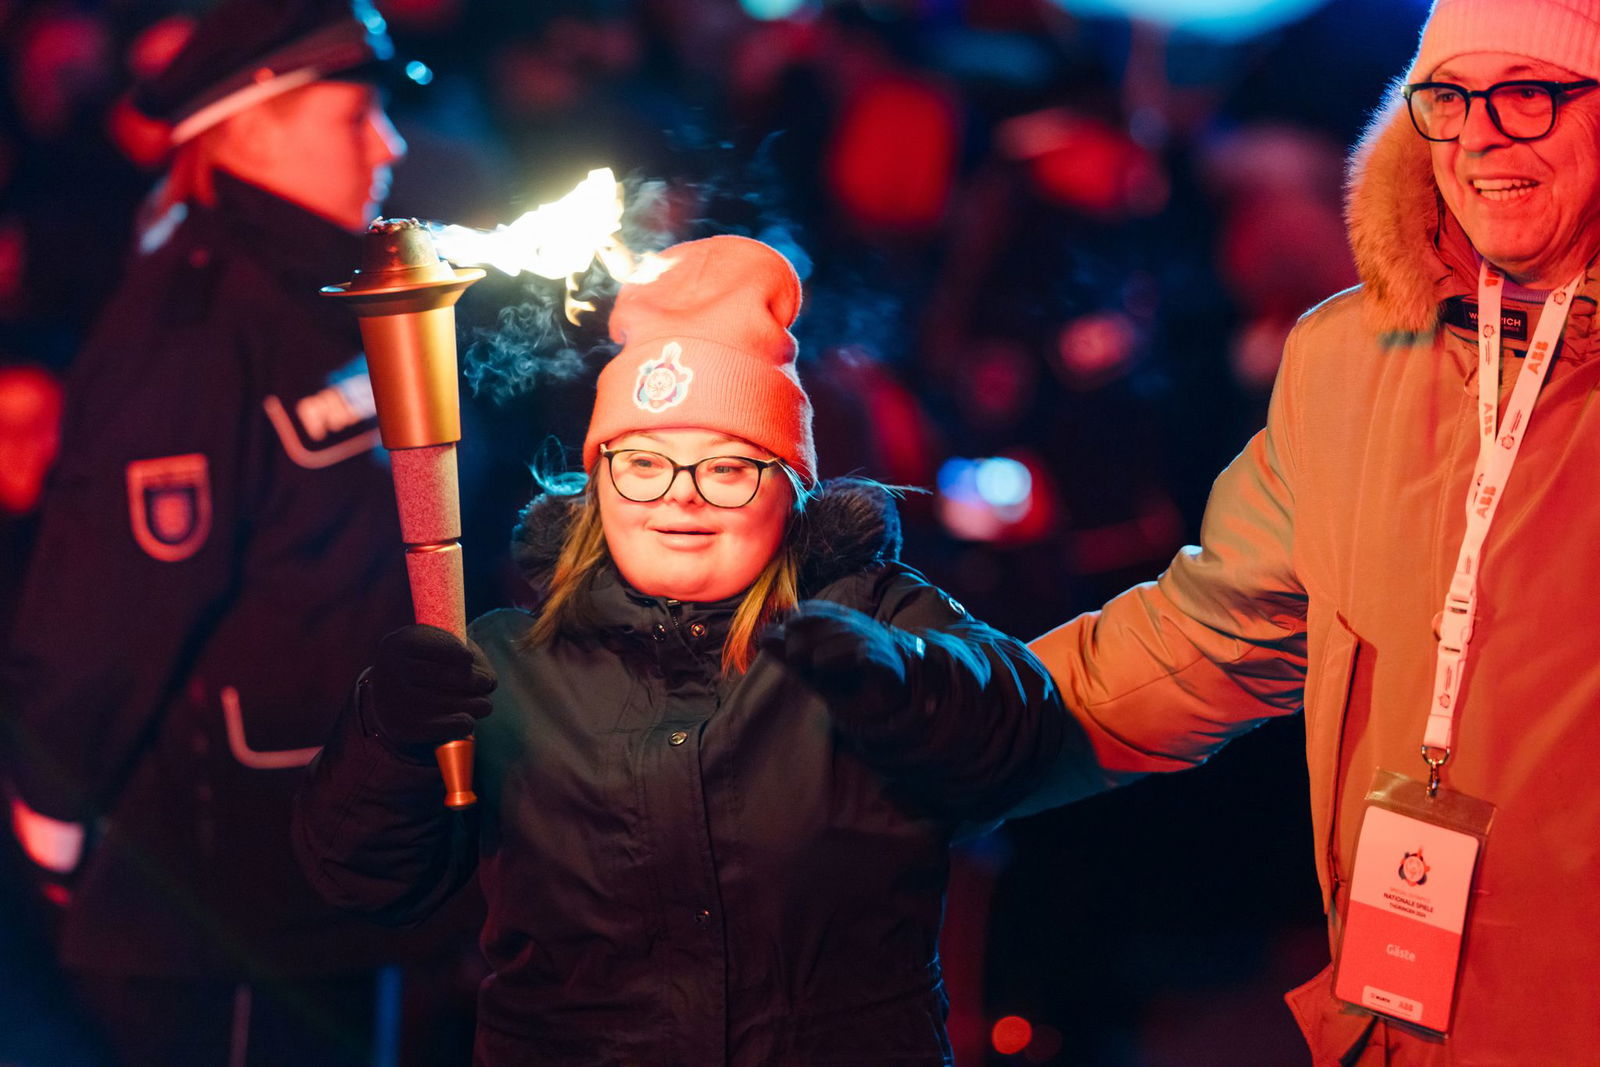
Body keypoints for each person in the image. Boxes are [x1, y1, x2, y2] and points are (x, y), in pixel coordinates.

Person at [292, 234, 1068, 1065]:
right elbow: (366, 879)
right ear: (599, 481)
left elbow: (1020, 736)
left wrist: (905, 686)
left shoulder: (879, 618)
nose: (680, 499)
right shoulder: (505, 667)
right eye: (644, 462)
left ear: (788, 487)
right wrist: (387, 739)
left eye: (727, 468)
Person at [1016, 0, 1600, 1062]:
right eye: (1448, 98)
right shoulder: (1348, 359)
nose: (1477, 135)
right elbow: (1205, 635)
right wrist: (954, 713)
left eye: (1527, 93)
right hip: (1403, 1019)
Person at [1, 1, 475, 1062]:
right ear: (252, 125)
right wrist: (53, 808)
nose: (389, 144)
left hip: (343, 858)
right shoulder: (194, 327)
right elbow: (108, 604)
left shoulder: (329, 298)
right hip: (228, 902)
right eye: (354, 116)